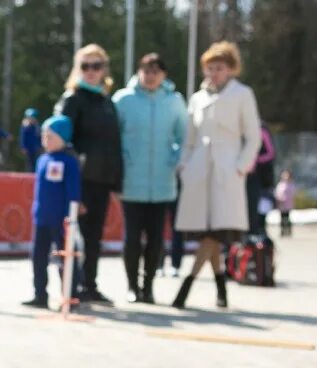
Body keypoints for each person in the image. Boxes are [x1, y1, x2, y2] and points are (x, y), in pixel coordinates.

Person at [172, 42, 261, 310]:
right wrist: (184, 166)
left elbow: (253, 136)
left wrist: (240, 166)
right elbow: (189, 138)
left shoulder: (242, 95)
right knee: (208, 234)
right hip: (199, 172)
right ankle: (221, 289)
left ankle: (186, 287)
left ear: (231, 69)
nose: (213, 73)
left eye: (219, 68)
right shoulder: (198, 98)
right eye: (209, 68)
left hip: (227, 171)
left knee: (213, 234)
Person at [112, 52, 186, 304]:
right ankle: (132, 285)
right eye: (146, 70)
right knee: (132, 237)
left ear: (164, 75)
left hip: (162, 182)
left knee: (156, 239)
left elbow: (183, 136)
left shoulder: (174, 101)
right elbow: (113, 136)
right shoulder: (123, 99)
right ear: (139, 72)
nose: (151, 75)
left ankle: (149, 286)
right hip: (132, 181)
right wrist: (123, 161)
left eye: (156, 71)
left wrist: (174, 160)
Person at [56, 44, 122, 305]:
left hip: (102, 179)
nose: (91, 71)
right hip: (78, 179)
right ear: (77, 69)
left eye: (96, 65)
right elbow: (60, 137)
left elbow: (115, 143)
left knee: (94, 236)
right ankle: (72, 287)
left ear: (104, 69)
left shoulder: (108, 102)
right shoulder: (72, 98)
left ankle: (90, 285)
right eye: (85, 66)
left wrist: (117, 178)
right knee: (75, 234)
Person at [22, 115, 81, 309]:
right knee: (38, 257)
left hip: (61, 219)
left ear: (63, 137)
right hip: (41, 217)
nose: (45, 138)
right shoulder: (42, 159)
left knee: (64, 258)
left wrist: (71, 215)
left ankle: (70, 295)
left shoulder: (69, 161)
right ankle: (40, 295)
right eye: (44, 134)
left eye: (51, 135)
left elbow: (73, 191)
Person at [275, 169, 296, 237]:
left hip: (288, 204)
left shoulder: (291, 185)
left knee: (287, 218)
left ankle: (288, 231)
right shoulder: (280, 184)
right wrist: (279, 199)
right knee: (282, 218)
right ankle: (283, 231)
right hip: (281, 204)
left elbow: (293, 193)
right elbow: (277, 193)